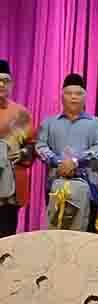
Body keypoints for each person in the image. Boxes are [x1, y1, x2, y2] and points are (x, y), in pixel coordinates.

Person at [36, 73, 98, 231]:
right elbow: (40, 146)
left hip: (88, 187)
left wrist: (74, 162)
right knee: (56, 233)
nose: (73, 97)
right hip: (56, 187)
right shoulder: (48, 123)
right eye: (69, 93)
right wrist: (59, 162)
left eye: (78, 93)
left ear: (85, 96)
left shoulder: (96, 124)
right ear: (62, 96)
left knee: (85, 240)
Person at [0, 60, 34, 237]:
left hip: (10, 188)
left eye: (5, 80)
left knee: (6, 239)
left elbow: (32, 145)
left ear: (11, 84)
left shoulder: (21, 114)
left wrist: (22, 153)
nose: (1, 84)